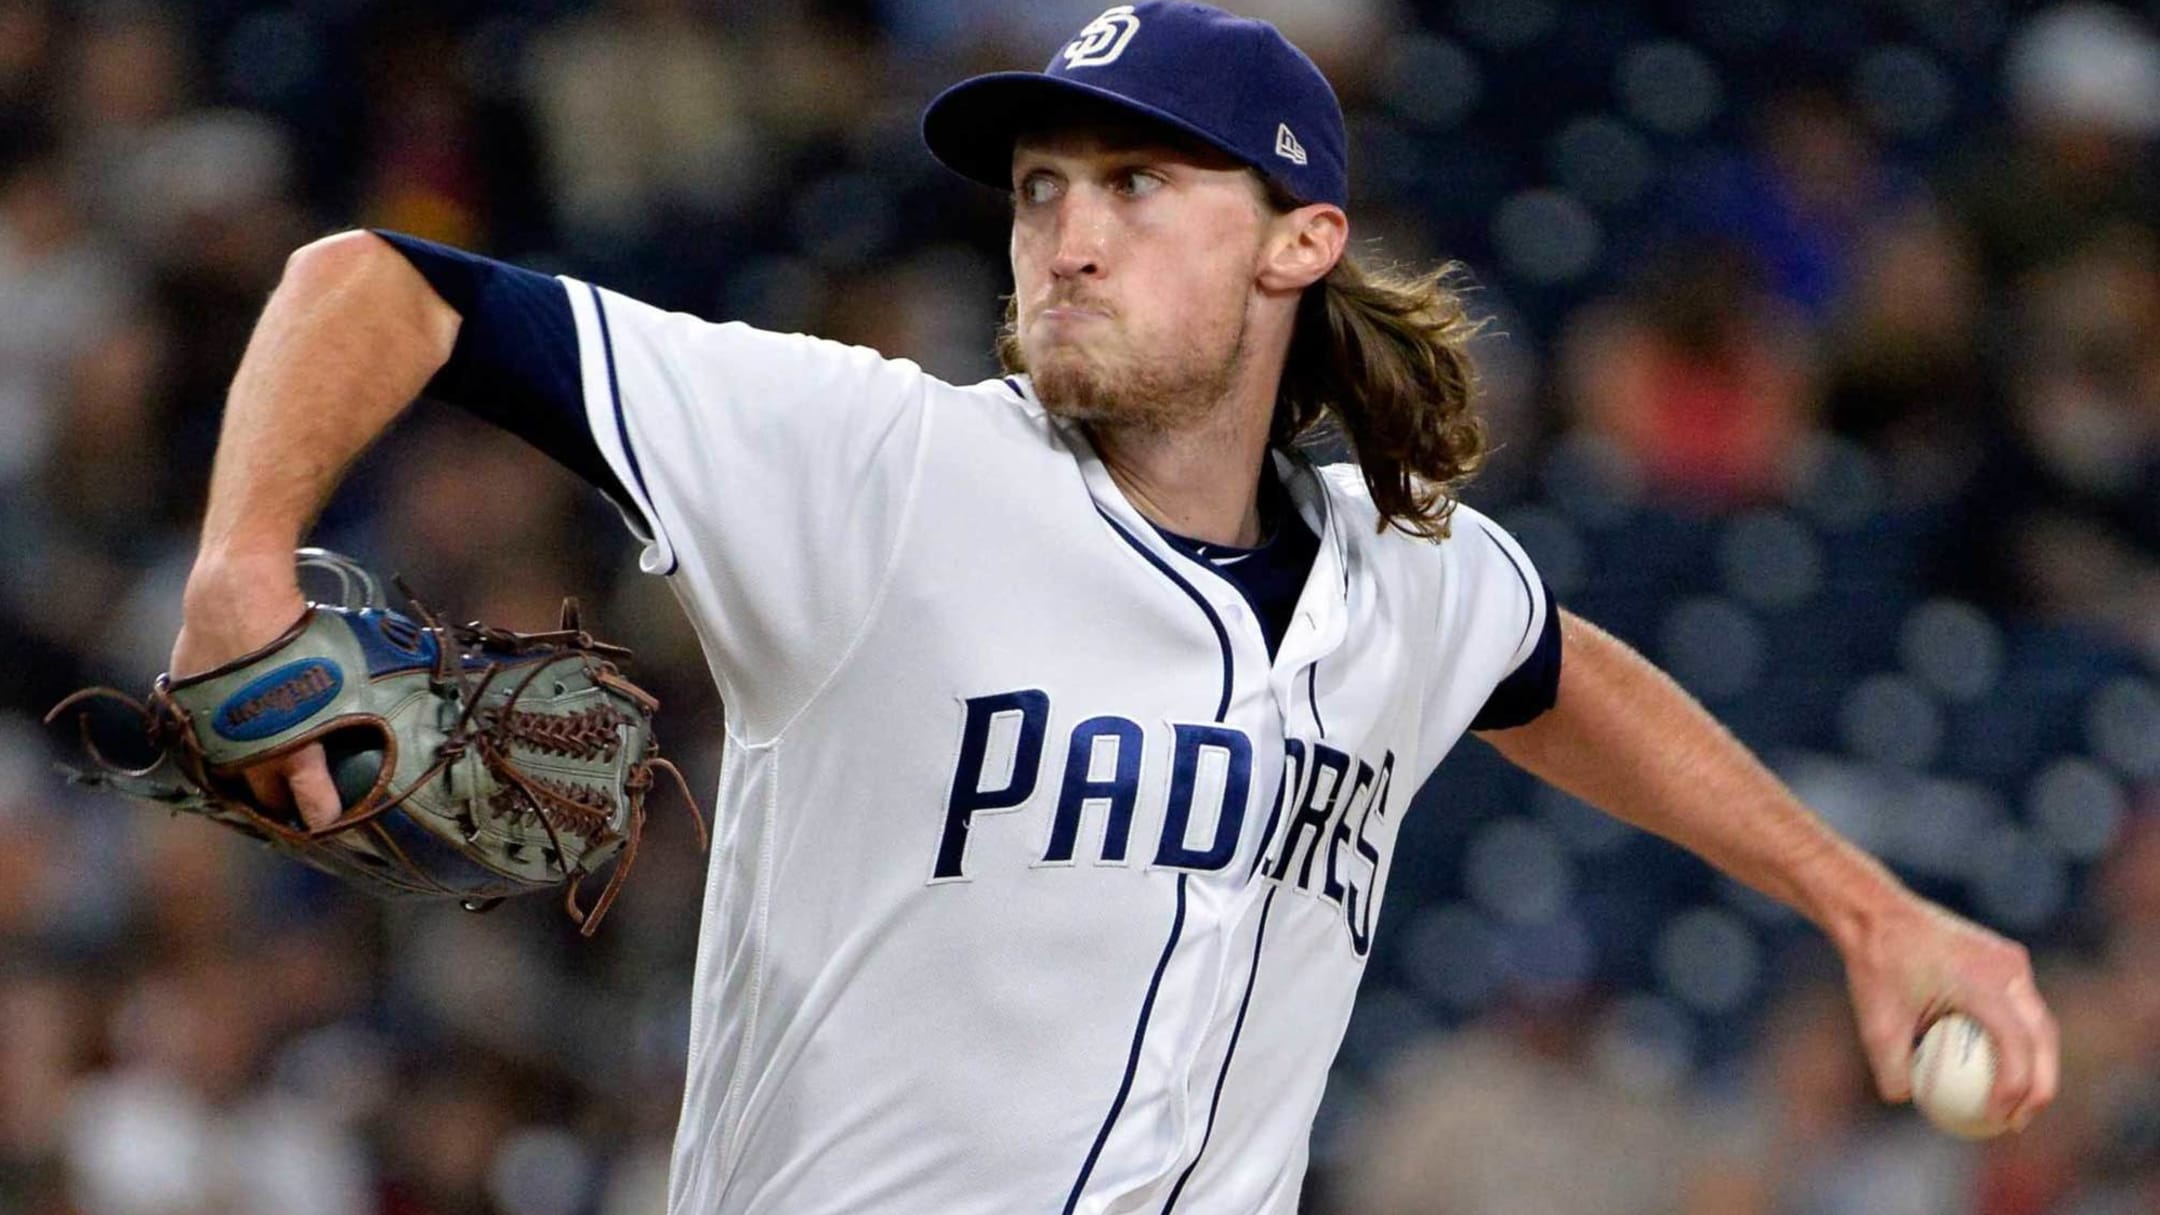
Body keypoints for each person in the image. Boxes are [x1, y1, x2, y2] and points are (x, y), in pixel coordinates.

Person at [168, 3, 2057, 1211]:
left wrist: (1865, 908)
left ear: (1299, 241)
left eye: (1140, 185)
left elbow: (1552, 667)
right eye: (1041, 189)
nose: (1066, 232)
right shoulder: (880, 465)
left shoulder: (1404, 581)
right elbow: (374, 286)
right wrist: (248, 564)